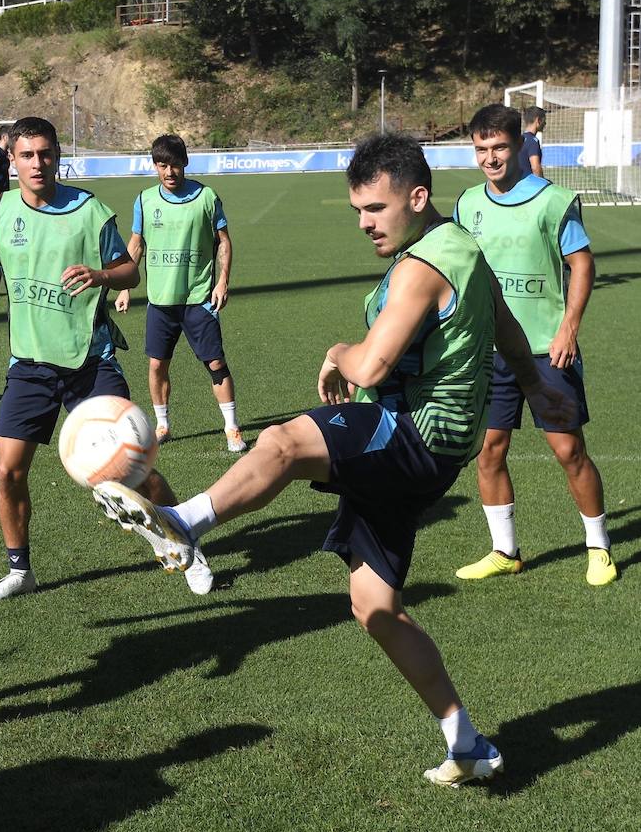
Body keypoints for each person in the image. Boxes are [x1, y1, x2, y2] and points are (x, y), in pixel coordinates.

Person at [88, 133, 571, 786]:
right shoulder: (461, 248)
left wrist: (336, 351)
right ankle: (468, 742)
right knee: (374, 607)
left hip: (413, 435)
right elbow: (507, 323)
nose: (366, 223)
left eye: (376, 208)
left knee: (282, 444)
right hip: (428, 452)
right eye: (358, 212)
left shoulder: (422, 266)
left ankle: (184, 523)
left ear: (417, 196)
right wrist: (536, 384)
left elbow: (369, 362)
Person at [0, 116, 214, 602]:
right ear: (11, 159)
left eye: (45, 154)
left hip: (90, 362)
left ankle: (187, 545)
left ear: (57, 156)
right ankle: (20, 570)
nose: (37, 164)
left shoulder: (90, 211)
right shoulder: (0, 212)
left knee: (131, 468)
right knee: (7, 471)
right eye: (26, 155)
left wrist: (100, 276)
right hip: (29, 364)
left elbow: (130, 272)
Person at [453, 104, 613, 585]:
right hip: (491, 352)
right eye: (481, 150)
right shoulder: (467, 204)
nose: (490, 158)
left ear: (519, 144)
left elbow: (581, 265)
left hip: (547, 349)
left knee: (569, 451)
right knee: (489, 451)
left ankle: (599, 547)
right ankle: (505, 550)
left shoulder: (555, 200)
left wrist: (569, 327)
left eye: (499, 147)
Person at [114, 134, 246, 452]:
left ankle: (232, 428)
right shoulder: (145, 200)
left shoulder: (207, 197)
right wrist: (124, 286)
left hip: (199, 298)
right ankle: (163, 425)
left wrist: (222, 281)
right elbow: (136, 244)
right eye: (162, 165)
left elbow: (224, 241)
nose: (169, 172)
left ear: (184, 163)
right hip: (160, 301)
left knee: (215, 363)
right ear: (155, 166)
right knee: (157, 365)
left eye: (174, 164)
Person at [518, 106, 546, 178]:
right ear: (538, 121)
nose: (545, 123)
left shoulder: (519, 139)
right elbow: (535, 167)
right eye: (544, 120)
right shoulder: (533, 141)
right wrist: (542, 184)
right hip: (529, 185)